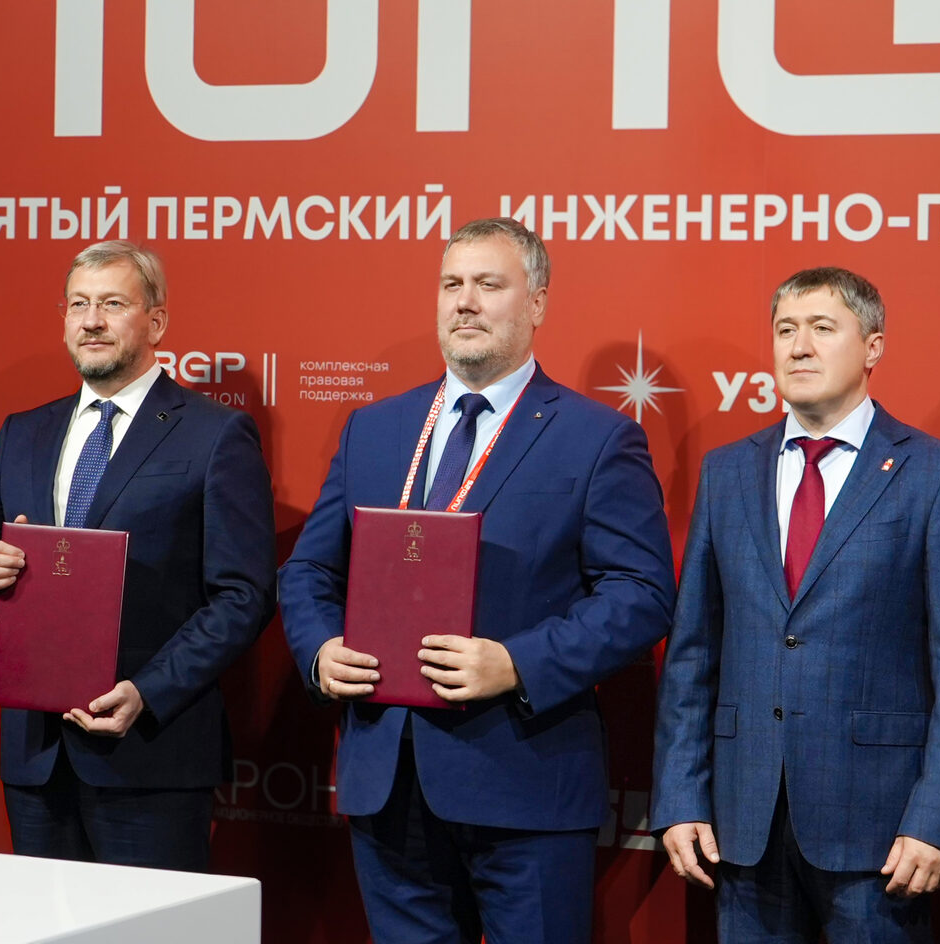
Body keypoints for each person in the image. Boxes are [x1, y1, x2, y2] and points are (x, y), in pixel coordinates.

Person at [278, 217, 676, 944]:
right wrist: (320, 650)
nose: (465, 302)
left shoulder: (596, 437)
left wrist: (517, 662)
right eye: (451, 284)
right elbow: (309, 569)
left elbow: (641, 594)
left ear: (537, 303)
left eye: (489, 285)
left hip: (523, 781)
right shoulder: (375, 428)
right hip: (387, 781)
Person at [652, 267, 940, 942]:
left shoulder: (938, 474)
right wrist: (681, 795)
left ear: (873, 346)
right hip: (742, 822)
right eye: (785, 329)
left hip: (881, 833)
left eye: (821, 328)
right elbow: (693, 651)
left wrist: (935, 816)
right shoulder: (727, 471)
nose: (799, 346)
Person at [0, 240, 277, 871]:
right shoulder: (25, 431)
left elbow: (244, 595)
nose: (92, 321)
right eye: (79, 304)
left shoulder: (214, 434)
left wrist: (148, 691)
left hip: (150, 750)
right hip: (37, 756)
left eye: (113, 304)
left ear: (156, 322)